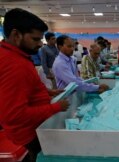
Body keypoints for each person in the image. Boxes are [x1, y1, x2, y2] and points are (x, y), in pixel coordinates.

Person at [0, 8, 69, 162]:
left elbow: (22, 89)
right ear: (16, 35)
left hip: (27, 131)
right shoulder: (15, 65)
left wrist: (47, 92)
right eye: (35, 39)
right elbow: (13, 115)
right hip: (29, 135)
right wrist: (56, 107)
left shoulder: (11, 54)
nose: (40, 44)